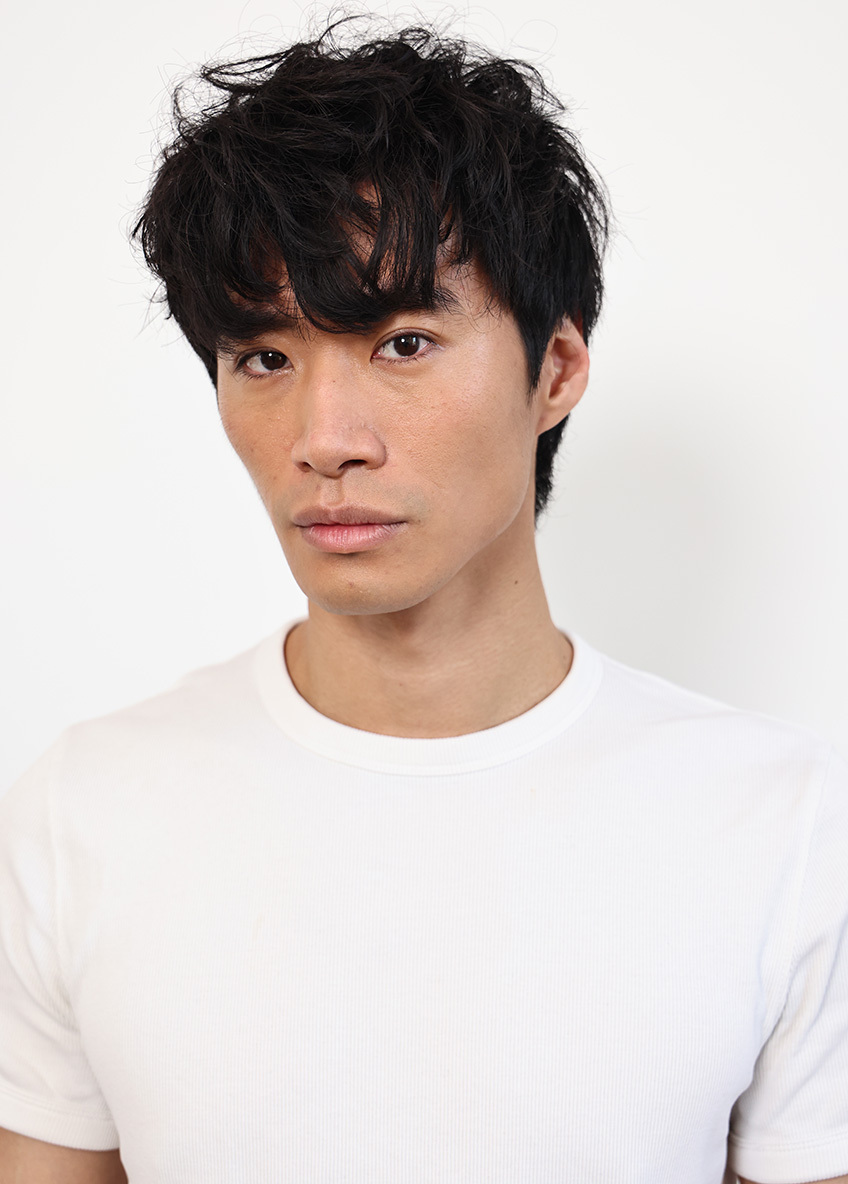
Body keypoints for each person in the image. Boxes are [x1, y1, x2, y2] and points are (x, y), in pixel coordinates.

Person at [1, 18, 846, 1184]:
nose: (324, 439)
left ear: (554, 371)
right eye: (263, 358)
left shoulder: (781, 825)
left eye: (401, 342)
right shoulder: (85, 810)